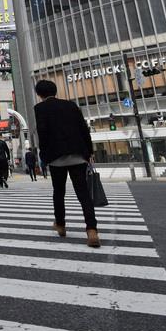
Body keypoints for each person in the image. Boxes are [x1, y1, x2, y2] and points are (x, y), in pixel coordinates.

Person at [34, 79, 100, 248]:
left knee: (59, 192)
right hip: (78, 154)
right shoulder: (71, 105)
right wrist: (89, 151)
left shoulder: (40, 108)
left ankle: (61, 225)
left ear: (39, 94)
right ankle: (92, 230)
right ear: (55, 91)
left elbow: (43, 133)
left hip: (57, 157)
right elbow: (83, 128)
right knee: (83, 193)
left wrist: (44, 155)